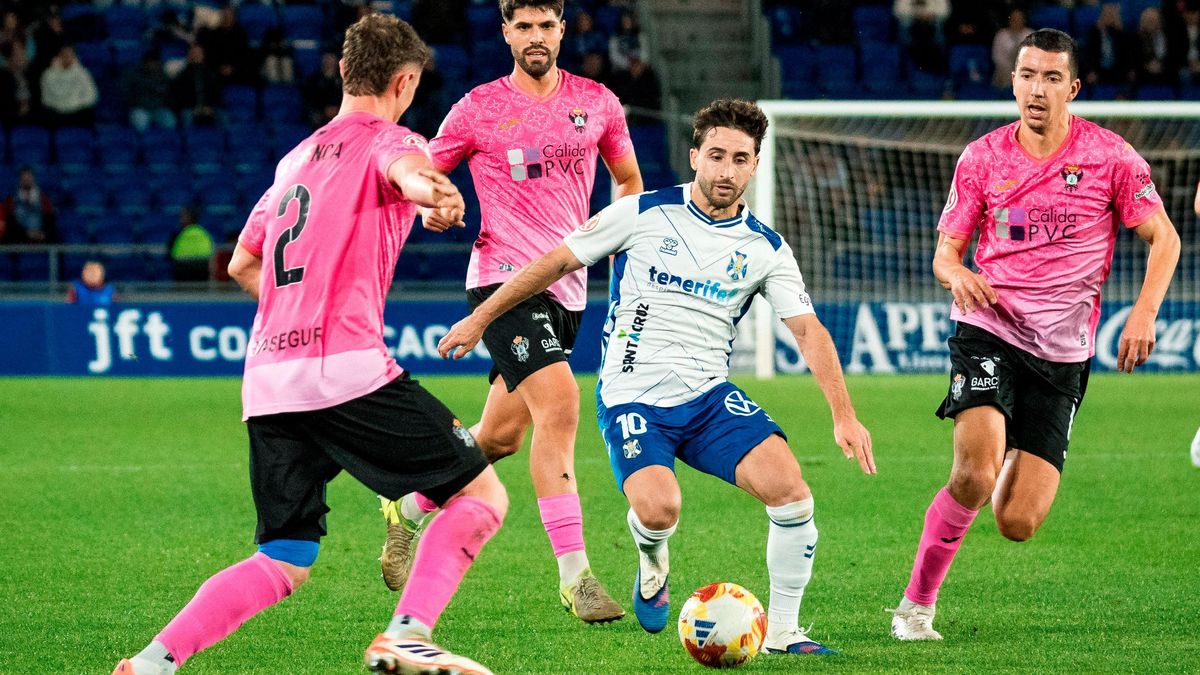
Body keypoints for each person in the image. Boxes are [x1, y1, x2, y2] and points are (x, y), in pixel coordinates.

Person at [113, 13, 505, 675]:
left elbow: (242, 262)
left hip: (267, 378)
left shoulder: (292, 159)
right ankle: (408, 631)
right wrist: (432, 191)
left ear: (344, 72)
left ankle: (155, 661)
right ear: (405, 80)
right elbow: (406, 167)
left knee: (284, 557)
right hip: (343, 368)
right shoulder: (393, 137)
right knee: (481, 496)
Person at [437, 98, 875, 655]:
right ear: (694, 156)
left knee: (793, 496)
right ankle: (651, 556)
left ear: (755, 165)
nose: (726, 170)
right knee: (659, 508)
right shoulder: (640, 213)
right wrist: (481, 317)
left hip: (709, 397)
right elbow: (553, 263)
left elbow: (809, 331)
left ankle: (784, 633)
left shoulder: (766, 249)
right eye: (716, 155)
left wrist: (844, 415)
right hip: (631, 397)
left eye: (740, 158)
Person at [889, 29, 1180, 641]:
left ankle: (1006, 440)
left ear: (1073, 88)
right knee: (972, 473)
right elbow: (946, 255)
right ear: (1013, 81)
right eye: (1026, 76)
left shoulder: (1112, 157)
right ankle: (916, 607)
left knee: (1017, 521)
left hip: (1063, 352)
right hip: (988, 328)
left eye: (1051, 78)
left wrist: (1144, 312)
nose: (1036, 89)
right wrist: (957, 274)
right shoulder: (983, 158)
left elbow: (1165, 238)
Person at [376, 0, 643, 625]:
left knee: (499, 435)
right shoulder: (476, 109)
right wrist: (434, 208)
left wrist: (612, 240)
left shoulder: (599, 102)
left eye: (546, 25)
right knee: (563, 405)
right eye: (522, 26)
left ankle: (408, 507)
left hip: (568, 288)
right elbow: (421, 178)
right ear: (505, 34)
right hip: (500, 282)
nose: (535, 36)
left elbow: (628, 182)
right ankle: (576, 577)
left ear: (562, 30)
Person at [39, 44, 98, 128]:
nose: (67, 58)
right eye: (64, 54)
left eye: (70, 55)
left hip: (77, 111)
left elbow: (91, 95)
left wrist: (76, 105)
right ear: (59, 56)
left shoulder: (82, 73)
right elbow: (46, 99)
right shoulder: (48, 74)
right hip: (56, 113)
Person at [1, 166, 57, 244]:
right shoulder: (11, 200)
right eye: (24, 177)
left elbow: (50, 219)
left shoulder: (44, 199)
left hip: (41, 236)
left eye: (29, 177)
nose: (26, 179)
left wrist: (42, 233)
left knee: (55, 238)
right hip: (19, 237)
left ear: (33, 178)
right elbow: (9, 222)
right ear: (20, 179)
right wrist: (26, 233)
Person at [165, 207, 214, 282]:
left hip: (184, 270)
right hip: (200, 270)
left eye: (183, 217)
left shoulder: (177, 234)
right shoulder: (204, 233)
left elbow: (169, 254)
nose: (181, 219)